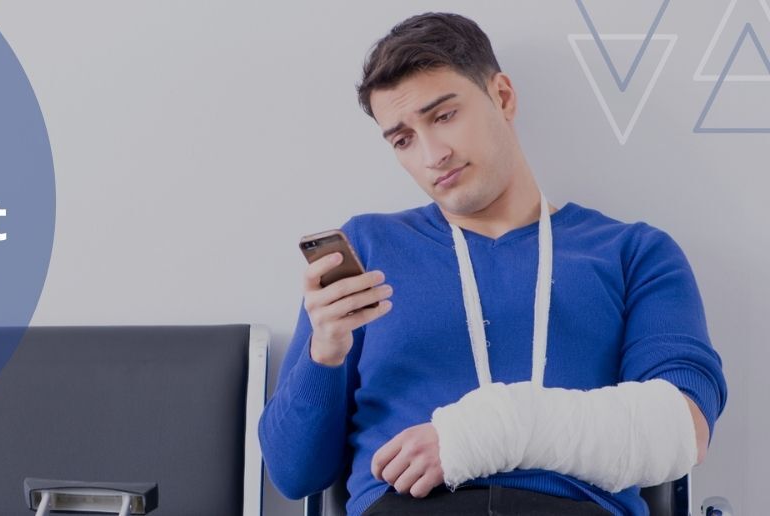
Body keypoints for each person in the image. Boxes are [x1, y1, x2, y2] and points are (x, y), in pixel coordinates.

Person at [258, 12, 727, 516]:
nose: (432, 154)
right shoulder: (369, 249)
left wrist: (482, 434)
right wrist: (324, 353)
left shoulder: (633, 253)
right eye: (402, 139)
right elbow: (293, 475)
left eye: (443, 116)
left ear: (502, 97)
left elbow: (683, 430)